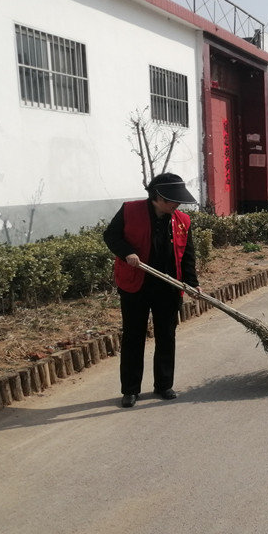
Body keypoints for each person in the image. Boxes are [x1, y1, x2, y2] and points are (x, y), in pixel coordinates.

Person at [103, 173, 199, 407]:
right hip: (136, 283)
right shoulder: (129, 210)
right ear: (157, 198)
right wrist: (127, 253)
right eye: (171, 201)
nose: (176, 205)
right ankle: (130, 389)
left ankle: (164, 385)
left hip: (168, 285)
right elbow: (110, 236)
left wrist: (192, 283)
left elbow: (187, 255)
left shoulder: (182, 221)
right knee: (133, 336)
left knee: (166, 335)